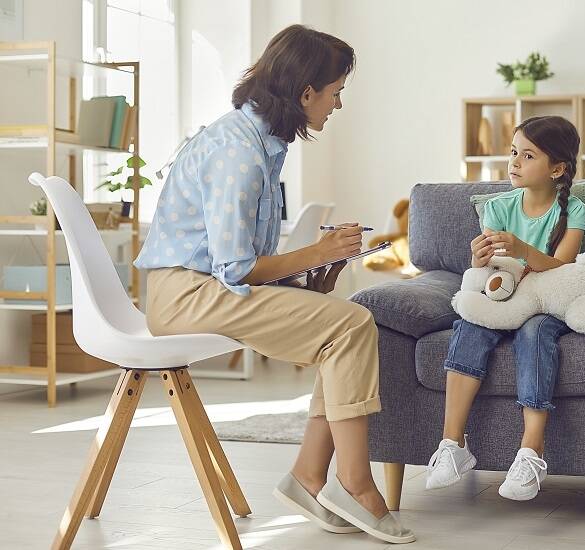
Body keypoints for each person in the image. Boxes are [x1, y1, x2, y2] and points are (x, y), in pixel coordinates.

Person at [135, 25, 414, 544]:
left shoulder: (262, 144)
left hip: (203, 288)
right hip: (184, 296)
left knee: (343, 326)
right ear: (307, 92)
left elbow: (246, 262)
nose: (337, 103)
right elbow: (236, 268)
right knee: (353, 324)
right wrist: (317, 252)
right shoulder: (237, 152)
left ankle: (311, 477)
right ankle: (352, 484)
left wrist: (311, 274)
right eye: (336, 92)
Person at [425, 116, 585, 501]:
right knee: (470, 323)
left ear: (557, 168)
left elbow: (564, 265)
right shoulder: (497, 207)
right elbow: (490, 273)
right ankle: (452, 445)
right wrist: (478, 259)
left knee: (534, 333)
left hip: (547, 305)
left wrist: (523, 250)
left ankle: (531, 452)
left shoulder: (575, 210)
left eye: (527, 155)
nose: (514, 162)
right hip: (505, 299)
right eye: (513, 152)